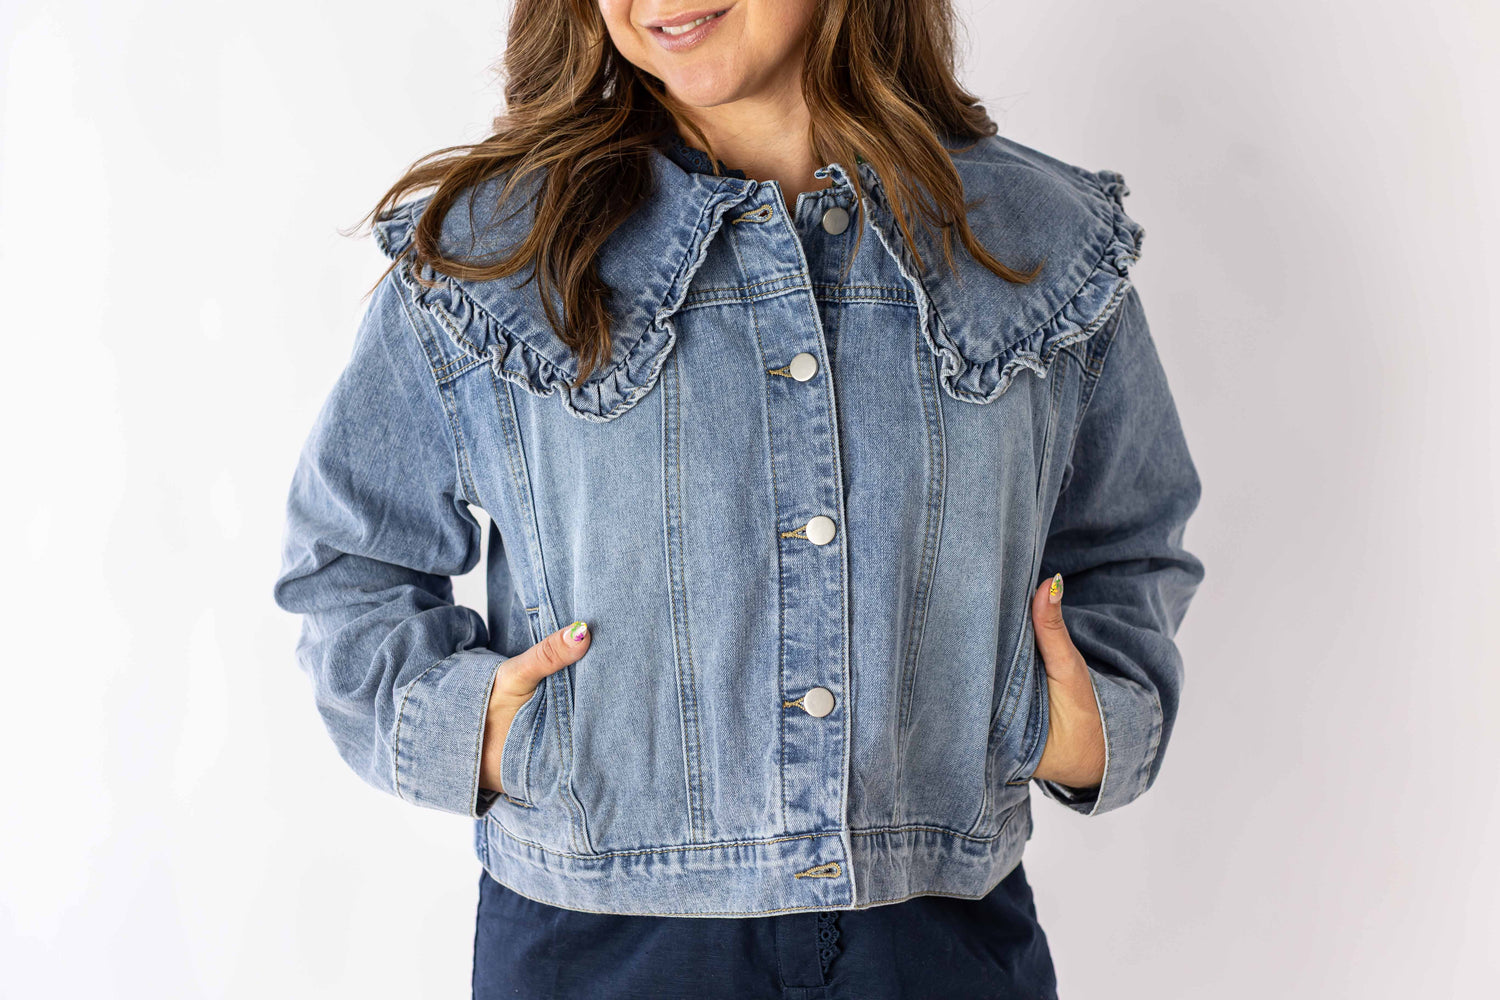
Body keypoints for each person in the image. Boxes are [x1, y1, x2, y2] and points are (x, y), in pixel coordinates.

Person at [272, 1, 1206, 997]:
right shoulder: (498, 252)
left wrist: (1072, 721)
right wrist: (487, 735)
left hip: (941, 948)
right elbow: (348, 564)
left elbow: (1130, 546)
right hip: (596, 953)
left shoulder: (1037, 243)